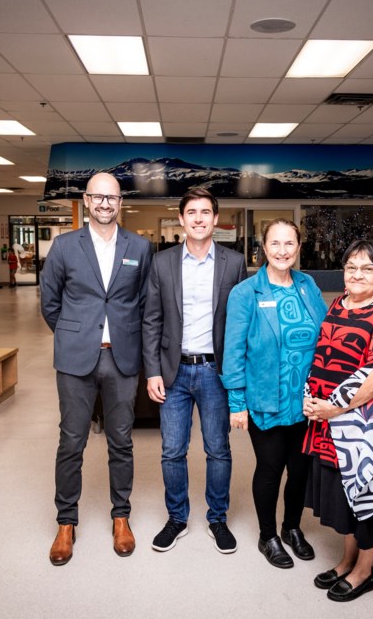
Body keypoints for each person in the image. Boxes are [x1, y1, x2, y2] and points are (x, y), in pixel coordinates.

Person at [40, 172, 152, 565]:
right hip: (75, 359)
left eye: (113, 198)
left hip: (122, 359)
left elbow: (142, 302)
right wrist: (76, 334)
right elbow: (50, 301)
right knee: (72, 442)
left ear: (121, 202)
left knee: (121, 442)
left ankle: (121, 517)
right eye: (98, 197)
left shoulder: (140, 245)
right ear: (87, 201)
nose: (106, 204)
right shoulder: (65, 246)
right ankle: (66, 522)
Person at [302, 239, 373, 602]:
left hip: (363, 424)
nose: (357, 274)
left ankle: (365, 571)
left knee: (365, 490)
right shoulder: (339, 303)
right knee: (343, 493)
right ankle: (347, 560)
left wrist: (334, 409)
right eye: (351, 267)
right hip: (330, 420)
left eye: (367, 268)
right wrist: (314, 401)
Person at [142, 189, 247, 554]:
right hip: (174, 372)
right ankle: (177, 518)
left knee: (218, 449)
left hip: (216, 372)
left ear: (216, 219)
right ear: (181, 219)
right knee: (172, 451)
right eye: (192, 212)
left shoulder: (234, 263)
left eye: (206, 212)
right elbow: (151, 320)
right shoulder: (163, 263)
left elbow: (240, 325)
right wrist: (152, 370)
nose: (199, 218)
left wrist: (239, 378)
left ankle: (217, 518)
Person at [221, 219, 327, 569]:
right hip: (266, 400)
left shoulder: (307, 285)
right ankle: (268, 535)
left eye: (289, 244)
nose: (283, 251)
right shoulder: (246, 293)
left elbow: (325, 334)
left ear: (299, 247)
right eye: (275, 244)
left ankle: (292, 528)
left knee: (299, 470)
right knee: (271, 468)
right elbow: (233, 351)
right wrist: (237, 404)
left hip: (306, 401)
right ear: (263, 248)